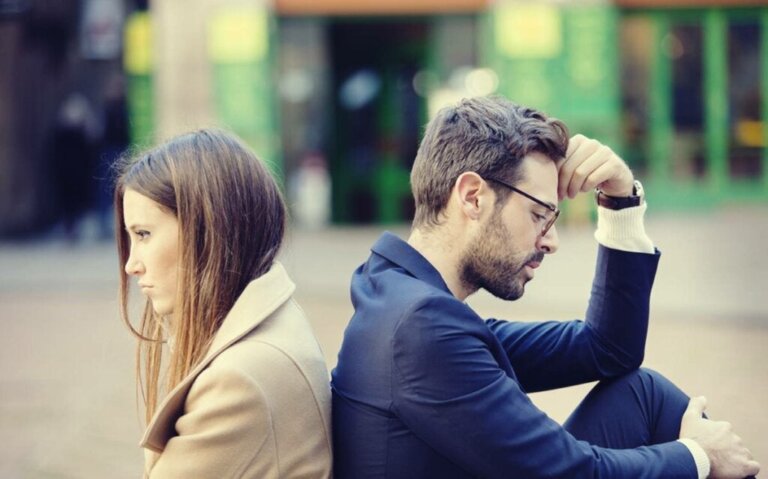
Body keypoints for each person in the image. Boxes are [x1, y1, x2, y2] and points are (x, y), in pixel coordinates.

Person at [331, 96, 760, 478]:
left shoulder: (406, 300)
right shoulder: (421, 329)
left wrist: (620, 200)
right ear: (473, 197)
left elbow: (608, 349)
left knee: (642, 393)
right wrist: (700, 456)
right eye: (540, 215)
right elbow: (570, 471)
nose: (551, 242)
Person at [115, 129, 333, 478]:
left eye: (144, 235)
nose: (131, 264)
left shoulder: (239, 379)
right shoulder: (268, 320)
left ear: (206, 230)